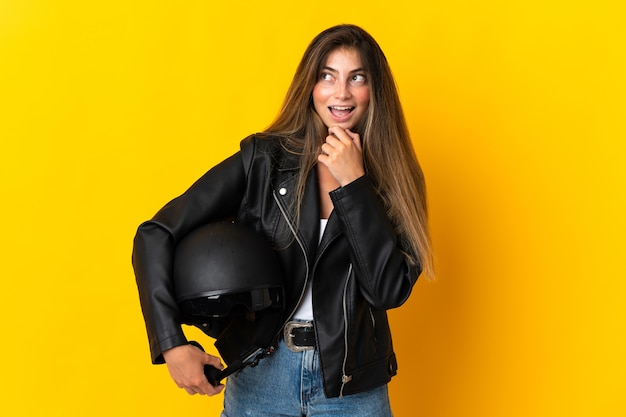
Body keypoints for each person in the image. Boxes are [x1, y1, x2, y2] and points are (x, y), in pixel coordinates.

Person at [132, 23, 434, 416]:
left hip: (352, 388)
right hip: (263, 377)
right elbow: (155, 233)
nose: (341, 93)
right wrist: (171, 343)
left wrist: (355, 185)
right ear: (310, 85)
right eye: (327, 76)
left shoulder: (398, 179)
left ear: (374, 90)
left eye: (356, 78)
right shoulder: (264, 159)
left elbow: (387, 291)